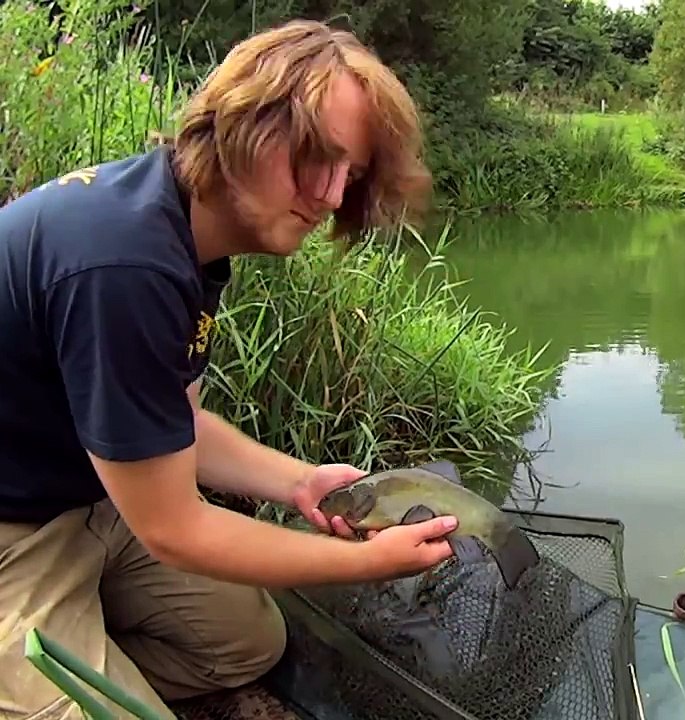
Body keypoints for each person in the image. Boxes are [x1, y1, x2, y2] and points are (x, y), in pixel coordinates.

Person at [0, 19, 458, 720]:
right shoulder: (123, 262)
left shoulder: (188, 232)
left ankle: (77, 652)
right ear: (243, 121)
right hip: (13, 535)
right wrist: (368, 562)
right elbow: (174, 529)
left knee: (247, 644)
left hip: (94, 502)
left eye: (353, 174)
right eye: (317, 157)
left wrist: (297, 481)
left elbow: (170, 422)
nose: (333, 196)